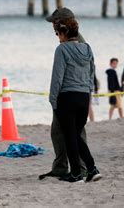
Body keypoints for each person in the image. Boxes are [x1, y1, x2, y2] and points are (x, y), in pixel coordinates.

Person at [48, 10, 102, 183]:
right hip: (84, 97)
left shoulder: (61, 50)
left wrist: (53, 100)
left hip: (67, 98)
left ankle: (81, 172)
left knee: (71, 136)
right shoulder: (87, 48)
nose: (57, 35)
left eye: (57, 32)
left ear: (63, 32)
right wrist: (89, 92)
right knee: (75, 135)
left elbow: (57, 78)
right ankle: (88, 170)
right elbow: (91, 72)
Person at [39, 7, 88, 180]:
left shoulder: (72, 43)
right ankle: (61, 167)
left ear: (62, 23)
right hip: (74, 94)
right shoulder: (72, 40)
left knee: (76, 133)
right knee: (58, 132)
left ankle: (80, 168)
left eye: (54, 22)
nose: (52, 25)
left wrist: (53, 99)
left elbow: (59, 74)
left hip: (68, 96)